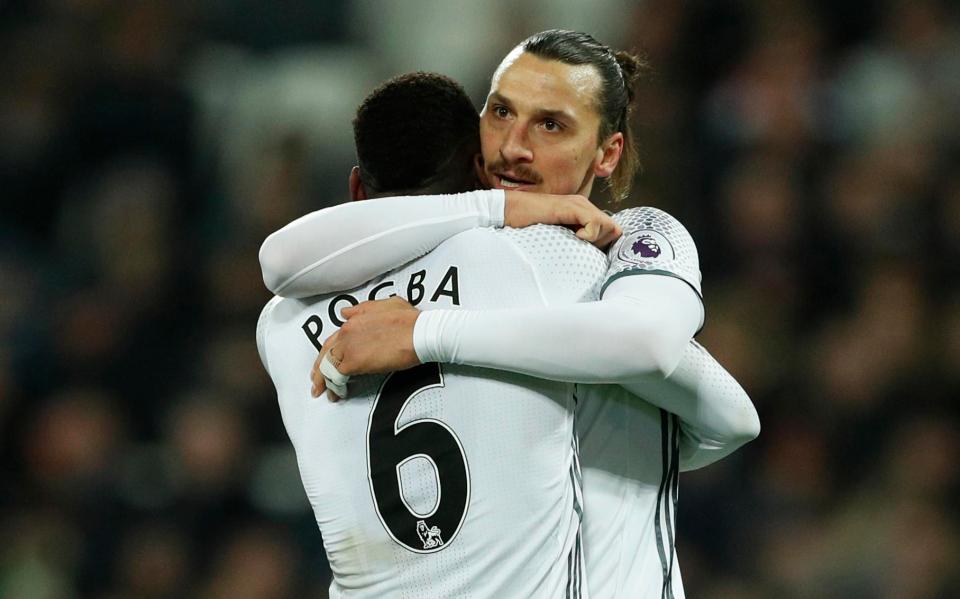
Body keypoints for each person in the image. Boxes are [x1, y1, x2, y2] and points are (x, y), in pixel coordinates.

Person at [260, 31, 759, 598]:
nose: (514, 147)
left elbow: (281, 262)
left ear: (608, 151)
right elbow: (729, 415)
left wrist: (426, 332)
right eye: (501, 113)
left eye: (552, 125)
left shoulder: (280, 324)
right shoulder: (556, 263)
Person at [258, 71, 626, 597]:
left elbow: (284, 260)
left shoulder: (279, 326)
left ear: (358, 189)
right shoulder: (541, 259)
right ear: (482, 171)